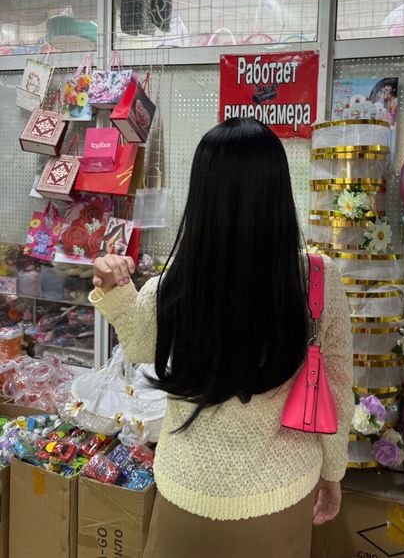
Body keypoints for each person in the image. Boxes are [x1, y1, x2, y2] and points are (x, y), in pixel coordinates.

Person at [90, 118, 353, 558]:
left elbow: (137, 346)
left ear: (203, 192)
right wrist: (333, 472)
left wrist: (114, 286)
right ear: (278, 192)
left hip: (184, 495)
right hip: (280, 495)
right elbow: (339, 388)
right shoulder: (317, 279)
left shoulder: (177, 282)